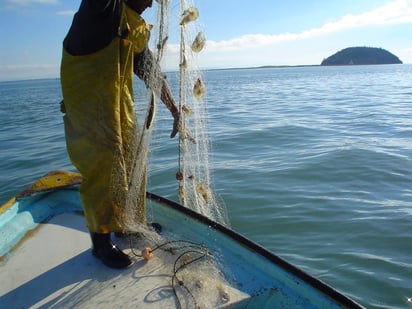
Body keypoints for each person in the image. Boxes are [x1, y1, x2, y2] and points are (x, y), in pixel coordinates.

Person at [60, 0, 179, 269]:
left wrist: (174, 109)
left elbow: (150, 70)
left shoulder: (133, 26)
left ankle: (128, 225)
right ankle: (100, 243)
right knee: (104, 166)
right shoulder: (100, 12)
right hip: (87, 105)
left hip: (118, 103)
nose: (151, 4)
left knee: (133, 158)